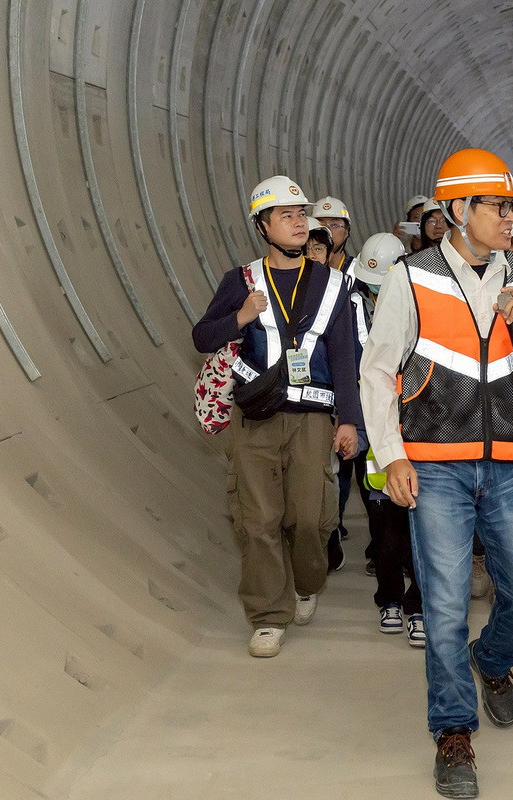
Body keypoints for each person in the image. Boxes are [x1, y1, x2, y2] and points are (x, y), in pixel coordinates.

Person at [361, 148, 513, 799]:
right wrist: (391, 453)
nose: (511, 216)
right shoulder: (411, 278)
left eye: (511, 206)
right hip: (436, 466)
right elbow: (377, 368)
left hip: (505, 464)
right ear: (458, 211)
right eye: (499, 206)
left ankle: (494, 661)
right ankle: (453, 733)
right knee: (445, 603)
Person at [191, 176, 359, 658]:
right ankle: (267, 614)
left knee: (309, 519)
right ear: (263, 226)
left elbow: (345, 357)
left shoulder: (333, 284)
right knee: (259, 519)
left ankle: (307, 584)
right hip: (255, 414)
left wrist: (347, 420)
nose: (298, 222)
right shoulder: (240, 281)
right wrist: (240, 317)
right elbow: (203, 336)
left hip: (312, 417)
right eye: (286, 215)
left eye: (302, 214)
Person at [352, 232, 426, 647]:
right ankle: (390, 601)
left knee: (421, 527)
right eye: (372, 286)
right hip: (375, 439)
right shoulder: (352, 311)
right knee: (385, 526)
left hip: (420, 435)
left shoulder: (422, 306)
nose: (378, 294)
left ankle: (418, 606)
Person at [314, 195, 363, 572]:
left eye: (337, 224)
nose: (331, 231)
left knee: (347, 464)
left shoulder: (357, 275)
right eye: (323, 224)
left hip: (348, 383)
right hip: (313, 386)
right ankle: (328, 528)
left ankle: (336, 523)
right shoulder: (299, 272)